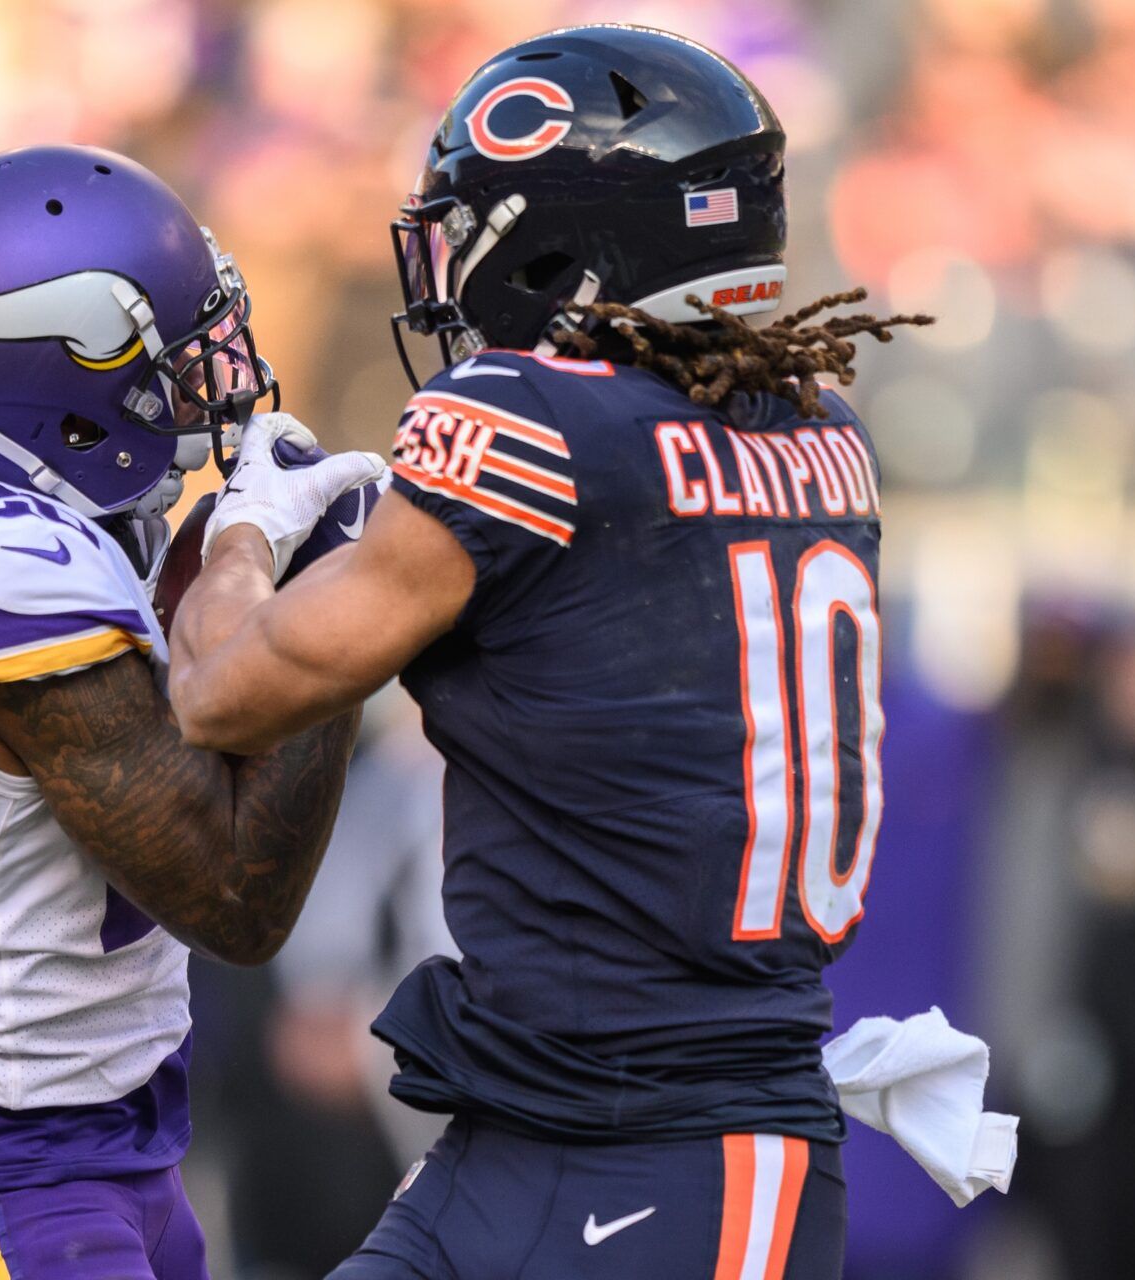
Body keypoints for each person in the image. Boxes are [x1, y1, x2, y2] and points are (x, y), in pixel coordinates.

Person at [169, 26, 934, 1279]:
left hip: (680, 1142)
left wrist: (250, 518)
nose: (451, 269)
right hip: (530, 1121)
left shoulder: (533, 423)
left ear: (561, 238)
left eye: (471, 227)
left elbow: (220, 693)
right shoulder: (820, 426)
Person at [0, 144, 375, 1280]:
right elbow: (234, 893)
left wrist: (228, 568)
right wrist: (331, 607)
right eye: (166, 360)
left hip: (92, 1114)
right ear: (57, 382)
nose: (202, 386)